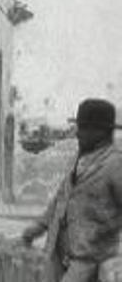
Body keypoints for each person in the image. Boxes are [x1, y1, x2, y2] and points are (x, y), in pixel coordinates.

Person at [21, 99, 122, 282]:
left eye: (83, 129)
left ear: (101, 133)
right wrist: (38, 228)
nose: (78, 134)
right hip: (60, 253)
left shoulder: (115, 165)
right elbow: (60, 199)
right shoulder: (80, 159)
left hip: (90, 258)